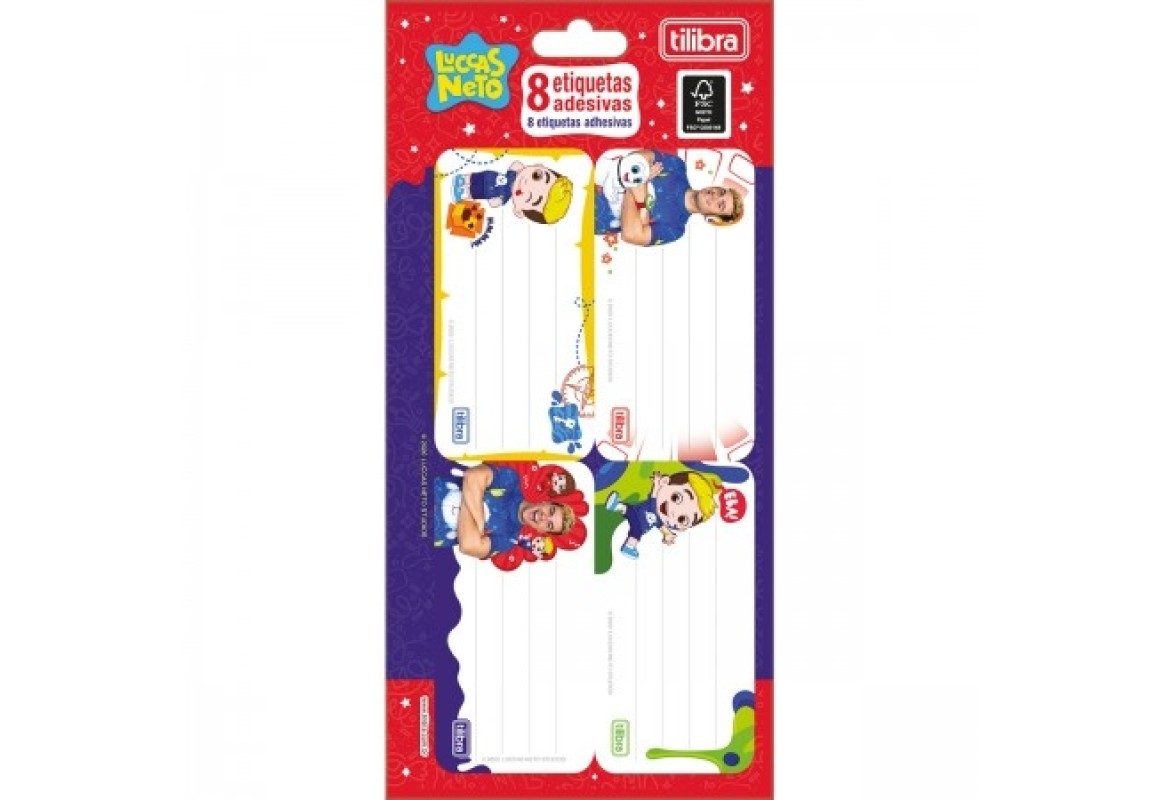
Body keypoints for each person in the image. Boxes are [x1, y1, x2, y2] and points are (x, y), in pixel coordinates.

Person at [594, 150, 744, 246]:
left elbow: (631, 234)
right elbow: (634, 159)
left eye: (720, 205)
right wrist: (641, 209)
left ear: (712, 219)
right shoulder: (677, 166)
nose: (715, 196)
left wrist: (639, 185)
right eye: (721, 192)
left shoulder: (675, 229)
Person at [453, 464, 577, 559]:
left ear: (542, 531)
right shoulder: (511, 480)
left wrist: (471, 491)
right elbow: (473, 476)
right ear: (546, 502)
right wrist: (479, 524)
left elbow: (468, 546)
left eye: (549, 525)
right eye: (551, 510)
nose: (544, 517)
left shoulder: (508, 540)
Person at [605, 470, 719, 559]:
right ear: (665, 482)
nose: (673, 512)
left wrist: (668, 535)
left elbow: (663, 529)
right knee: (630, 517)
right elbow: (655, 492)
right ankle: (629, 545)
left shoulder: (659, 521)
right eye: (676, 497)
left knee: (635, 529)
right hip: (636, 513)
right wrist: (656, 483)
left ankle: (617, 509)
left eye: (682, 519)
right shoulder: (655, 501)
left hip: (639, 524)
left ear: (682, 528)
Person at [452, 161, 574, 224]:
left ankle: (463, 193)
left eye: (530, 197)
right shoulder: (512, 176)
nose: (527, 184)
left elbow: (494, 203)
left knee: (474, 192)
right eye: (536, 175)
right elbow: (515, 164)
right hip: (488, 176)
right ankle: (463, 179)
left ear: (519, 210)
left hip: (485, 192)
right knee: (475, 177)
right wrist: (520, 168)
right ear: (539, 166)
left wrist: (497, 200)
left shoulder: (505, 196)